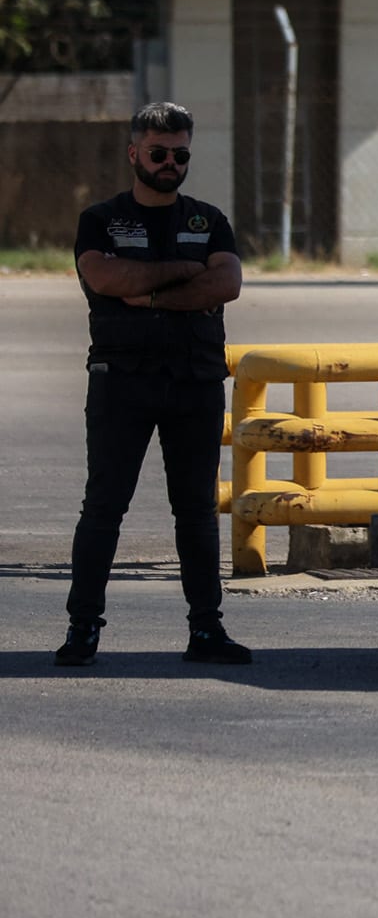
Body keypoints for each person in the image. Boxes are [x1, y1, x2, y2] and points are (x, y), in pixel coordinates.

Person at [59, 102, 250, 667]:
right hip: (122, 382)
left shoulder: (208, 220)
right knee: (104, 508)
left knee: (195, 510)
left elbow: (229, 283)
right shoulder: (100, 219)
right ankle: (82, 629)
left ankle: (206, 630)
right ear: (134, 153)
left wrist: (153, 292)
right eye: (159, 152)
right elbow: (105, 274)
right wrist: (186, 271)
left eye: (181, 154)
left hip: (193, 381)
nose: (170, 163)